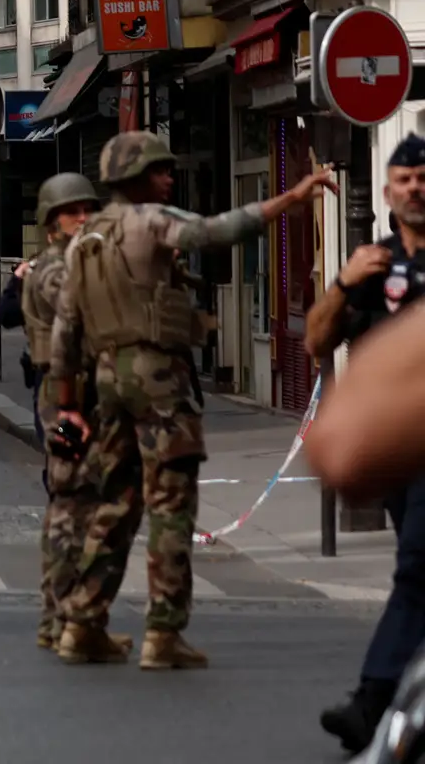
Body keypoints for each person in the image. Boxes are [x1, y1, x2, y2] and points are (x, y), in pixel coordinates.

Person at [50, 130, 334, 670]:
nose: (169, 177)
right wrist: (293, 198)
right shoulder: (151, 221)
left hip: (107, 383)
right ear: (135, 178)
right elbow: (214, 232)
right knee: (171, 503)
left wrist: (68, 404)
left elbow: (66, 331)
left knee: (115, 503)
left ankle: (82, 623)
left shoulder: (84, 240)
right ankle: (163, 633)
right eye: (160, 170)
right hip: (159, 380)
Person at [305, 136, 425, 751]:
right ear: (387, 191)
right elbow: (316, 344)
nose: (415, 187)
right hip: (395, 446)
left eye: (423, 177)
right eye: (404, 178)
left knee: (417, 568)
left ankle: (372, 699)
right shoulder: (372, 263)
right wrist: (344, 286)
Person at [14, 174, 134, 656]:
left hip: (83, 391)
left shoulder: (75, 263)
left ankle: (67, 619)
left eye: (88, 210)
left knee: (78, 506)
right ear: (51, 222)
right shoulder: (56, 270)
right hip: (68, 393)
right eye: (72, 213)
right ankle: (66, 619)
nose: (83, 219)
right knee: (74, 507)